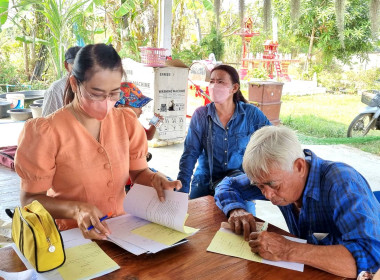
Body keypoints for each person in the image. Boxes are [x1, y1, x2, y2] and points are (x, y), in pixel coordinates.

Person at [15, 44, 181, 241]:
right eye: (96, 93)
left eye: (114, 93)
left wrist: (154, 179)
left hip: (122, 231)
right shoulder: (46, 132)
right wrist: (75, 210)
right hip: (74, 238)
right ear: (75, 84)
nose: (107, 101)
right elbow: (30, 200)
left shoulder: (126, 122)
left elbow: (138, 173)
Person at [215, 126, 380, 278]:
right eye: (259, 187)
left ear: (299, 167)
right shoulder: (275, 177)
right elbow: (227, 185)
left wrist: (287, 250)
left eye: (274, 186)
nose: (268, 195)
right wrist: (236, 209)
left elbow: (371, 260)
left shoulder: (342, 183)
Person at [177, 64, 271, 199]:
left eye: (220, 82)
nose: (214, 86)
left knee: (244, 218)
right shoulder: (201, 115)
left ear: (234, 88)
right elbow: (189, 154)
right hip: (205, 183)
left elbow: (273, 140)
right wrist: (181, 191)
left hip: (237, 184)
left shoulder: (251, 114)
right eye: (212, 81)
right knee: (193, 217)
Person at [42, 46, 82, 117]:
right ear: (66, 65)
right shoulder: (55, 90)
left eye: (83, 64)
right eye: (75, 64)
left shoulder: (92, 86)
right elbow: (47, 120)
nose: (80, 68)